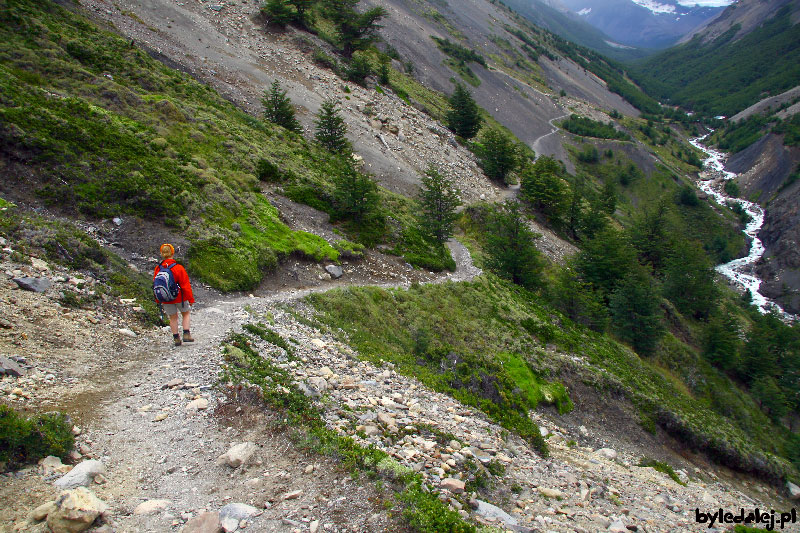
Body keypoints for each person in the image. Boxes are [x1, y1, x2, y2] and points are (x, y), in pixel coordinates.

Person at [154, 243, 195, 346]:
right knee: (185, 313)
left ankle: (176, 338)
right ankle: (186, 333)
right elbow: (185, 285)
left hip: (165, 298)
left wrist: (158, 300)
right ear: (172, 253)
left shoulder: (158, 269)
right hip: (179, 297)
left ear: (161, 253)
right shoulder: (178, 268)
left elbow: (156, 285)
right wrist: (190, 298)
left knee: (173, 317)